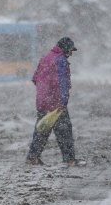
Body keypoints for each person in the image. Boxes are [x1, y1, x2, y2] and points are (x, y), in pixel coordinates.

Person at [26, 37, 85, 167]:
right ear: (65, 49)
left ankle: (32, 157)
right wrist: (62, 102)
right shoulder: (61, 60)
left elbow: (35, 79)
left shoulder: (45, 58)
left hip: (42, 101)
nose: (71, 53)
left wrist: (44, 93)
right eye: (70, 50)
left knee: (42, 129)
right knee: (64, 131)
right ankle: (70, 160)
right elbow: (62, 83)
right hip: (56, 102)